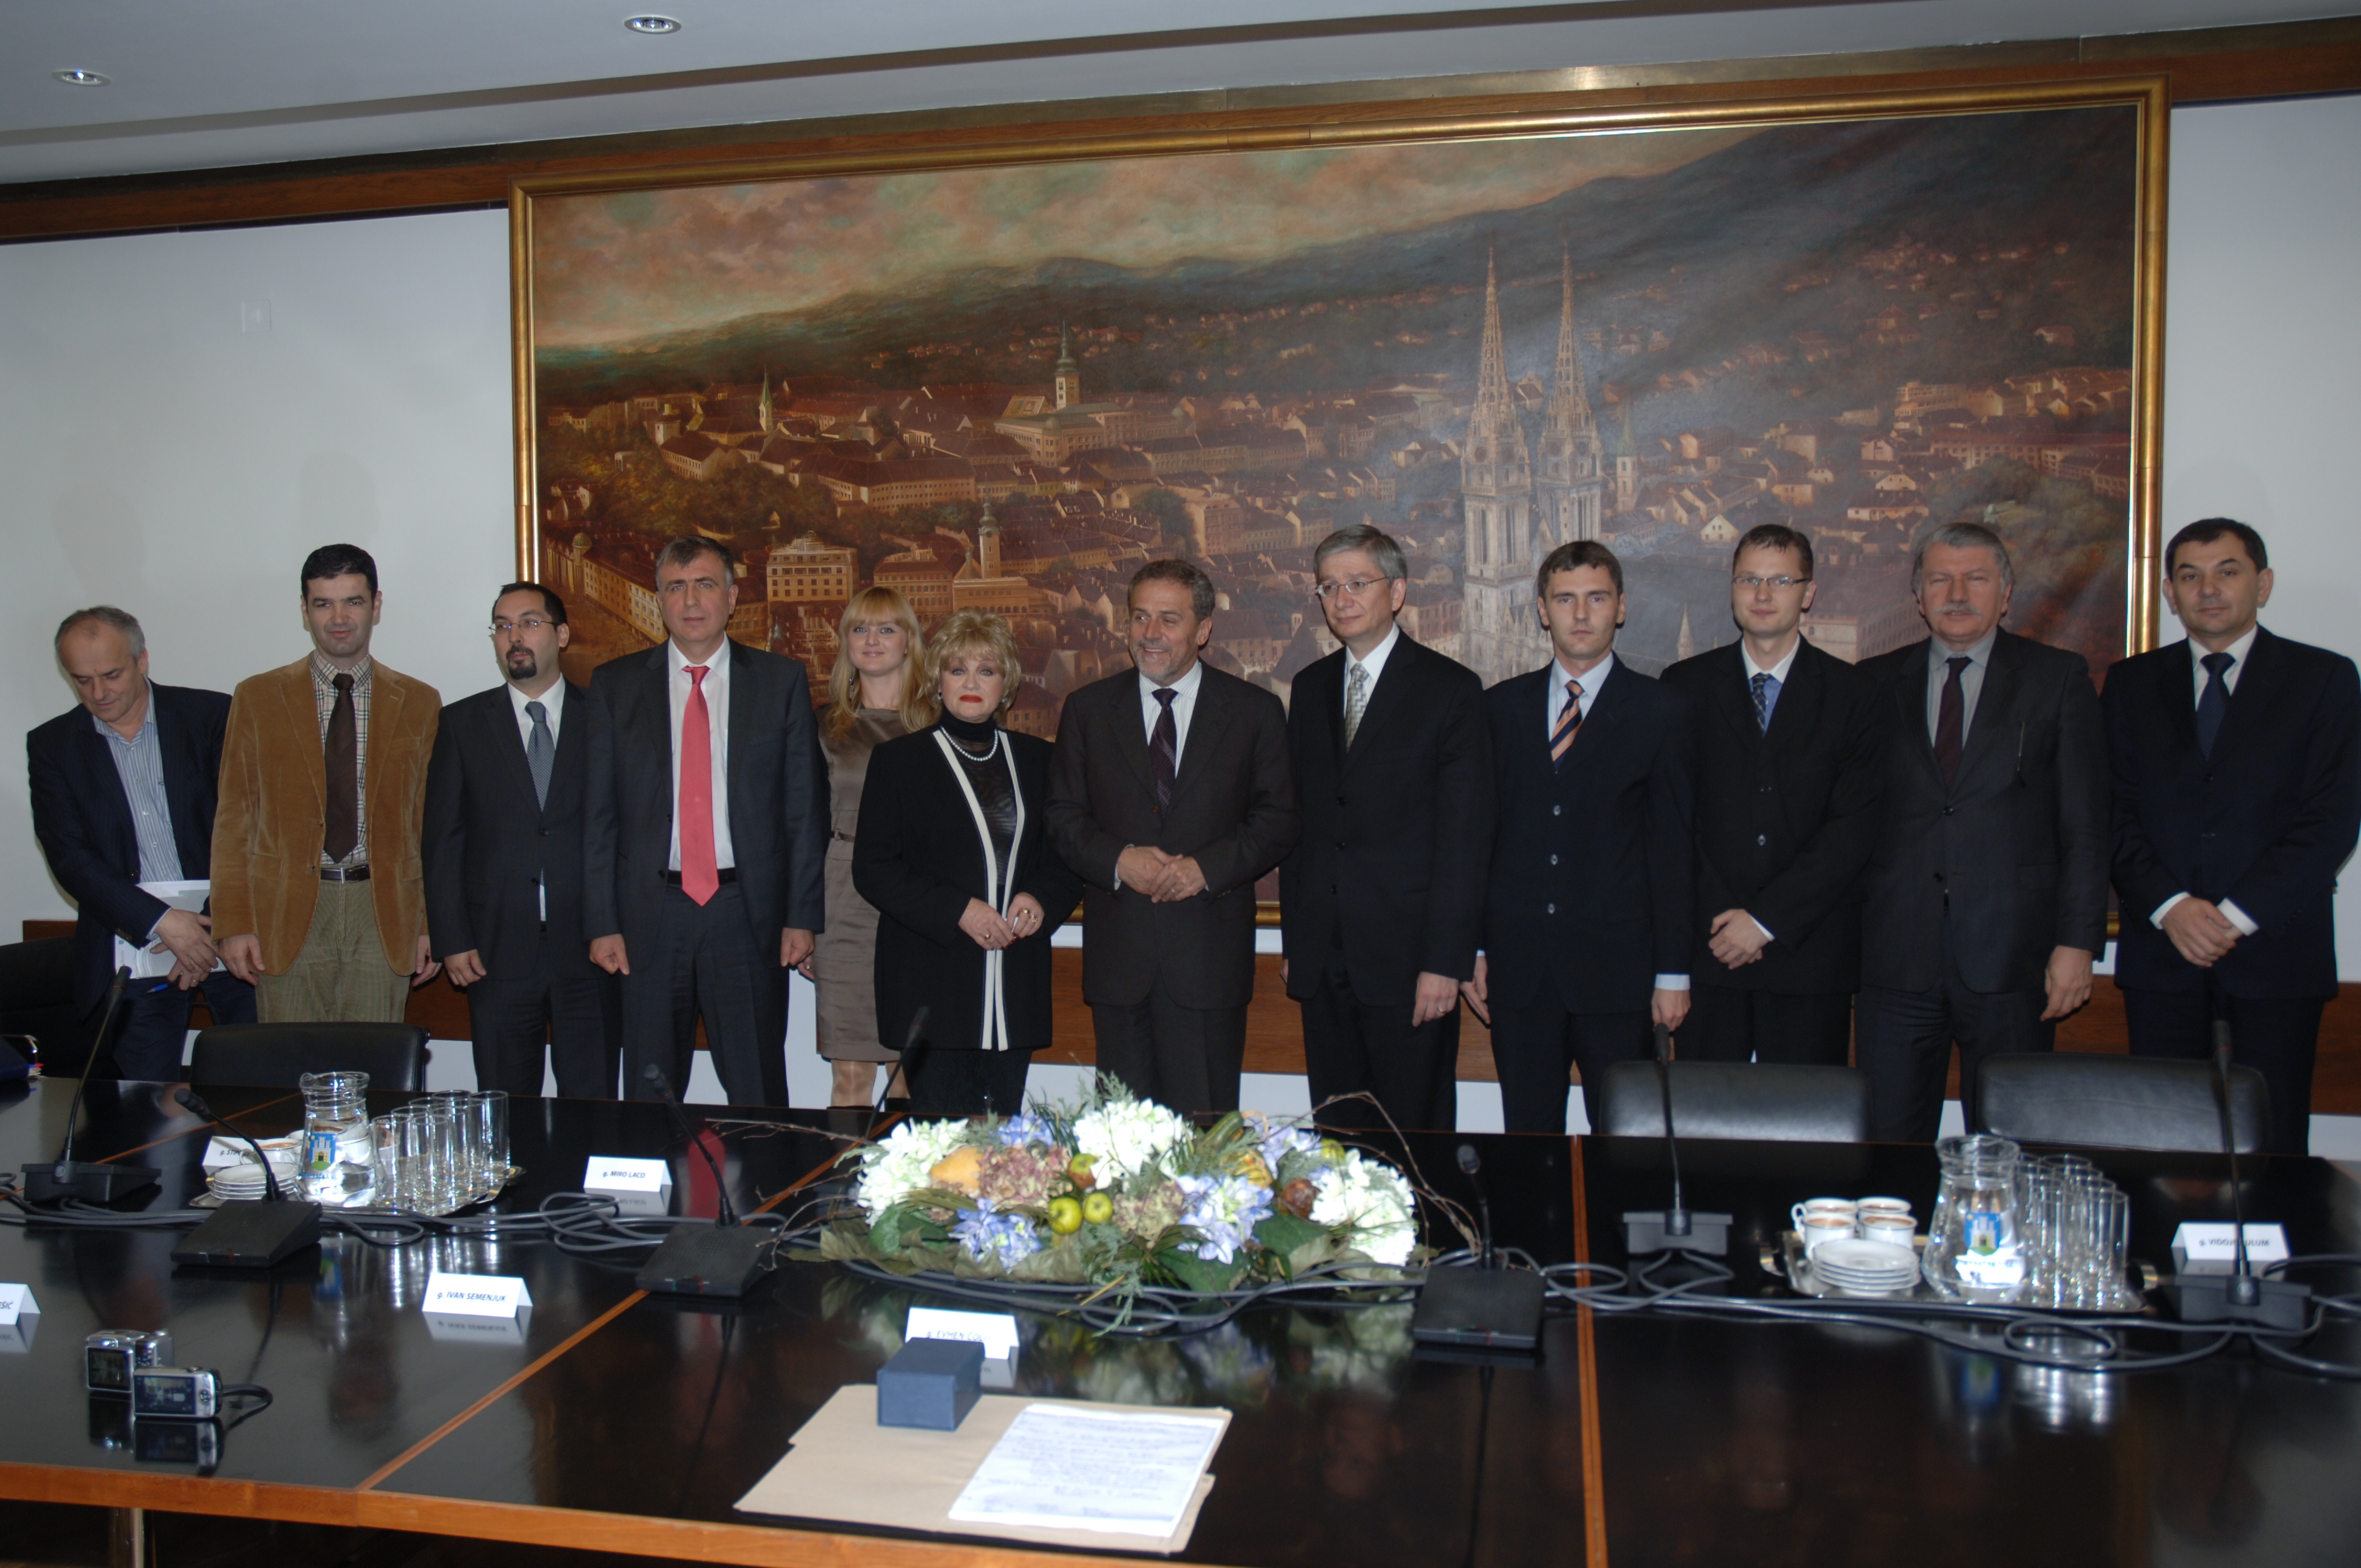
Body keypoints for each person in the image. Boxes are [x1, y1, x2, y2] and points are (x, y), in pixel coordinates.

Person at [2104, 519, 2361, 1155]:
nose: (2208, 589)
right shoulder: (2131, 683)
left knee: (2270, 1150)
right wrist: (2171, 906)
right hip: (2162, 958)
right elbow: (2110, 810)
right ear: (2169, 593)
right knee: (2161, 1152)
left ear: (2262, 583)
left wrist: (2235, 916)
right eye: (2189, 576)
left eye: (2227, 571)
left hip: (2276, 957)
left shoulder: (2324, 678)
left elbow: (2332, 818)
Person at [1853, 522, 2108, 1141]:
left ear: (2006, 591)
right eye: (1940, 579)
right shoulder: (1871, 682)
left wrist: (2078, 944)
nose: (1957, 594)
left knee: (2010, 1146)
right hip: (1894, 960)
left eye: (1975, 579)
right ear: (1919, 595)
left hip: (2014, 960)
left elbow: (2086, 824)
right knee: (1889, 1146)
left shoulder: (2057, 678)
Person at [1046, 559, 1298, 1113]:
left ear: (1203, 629)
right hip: (1120, 965)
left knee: (1204, 1137)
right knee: (1122, 1141)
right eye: (1140, 617)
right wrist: (1119, 860)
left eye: (1168, 619)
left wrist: (1205, 868)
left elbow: (1278, 819)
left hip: (1208, 962)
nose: (1150, 633)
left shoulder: (1254, 712)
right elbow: (1062, 818)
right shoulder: (1088, 710)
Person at [582, 536, 827, 1107]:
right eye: (676, 587)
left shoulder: (779, 682)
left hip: (747, 914)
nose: (691, 600)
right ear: (660, 600)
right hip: (649, 918)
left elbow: (803, 811)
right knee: (649, 1093)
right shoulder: (616, 686)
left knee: (757, 1088)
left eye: (705, 584)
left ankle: (765, 1171)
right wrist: (601, 922)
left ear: (732, 597)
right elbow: (598, 817)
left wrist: (802, 916)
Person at [1462, 541, 1694, 1134]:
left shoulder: (1662, 712)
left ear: (1621, 607)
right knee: (1527, 1141)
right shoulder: (1498, 709)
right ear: (1543, 610)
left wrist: (1673, 974)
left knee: (1623, 1146)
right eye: (1565, 600)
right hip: (1519, 974)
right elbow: (1478, 840)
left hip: (1620, 976)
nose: (1582, 614)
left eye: (1597, 598)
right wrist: (1476, 948)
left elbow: (1673, 852)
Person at [1281, 525, 1491, 1133]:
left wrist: (1445, 961)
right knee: (1337, 1138)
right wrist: (1298, 943)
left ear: (1397, 592)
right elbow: (1301, 827)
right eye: (1328, 586)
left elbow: (1464, 840)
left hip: (1411, 964)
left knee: (1414, 1138)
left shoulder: (1450, 689)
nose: (1341, 598)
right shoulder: (1310, 687)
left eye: (1357, 583)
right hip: (1323, 961)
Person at [1660, 525, 1882, 1068]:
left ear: (1808, 593)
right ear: (1732, 589)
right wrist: (1724, 916)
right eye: (1749, 580)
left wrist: (1763, 921)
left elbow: (1853, 828)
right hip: (1710, 953)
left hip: (1809, 958)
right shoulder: (1683, 686)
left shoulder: (1854, 694)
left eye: (1781, 581)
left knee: (1804, 1121)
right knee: (1705, 1116)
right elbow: (1673, 819)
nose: (1762, 594)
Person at [854, 611, 1084, 1117]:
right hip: (932, 981)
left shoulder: (1040, 761)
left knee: (1004, 1140)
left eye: (987, 671)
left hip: (1014, 983)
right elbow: (874, 868)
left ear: (1007, 685)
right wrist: (960, 909)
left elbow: (1067, 857)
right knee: (943, 1143)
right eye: (957, 670)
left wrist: (1040, 899)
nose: (972, 683)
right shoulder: (900, 761)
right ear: (937, 682)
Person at [213, 545, 442, 1021]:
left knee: (374, 1061)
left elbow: (430, 826)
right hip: (286, 912)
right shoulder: (257, 697)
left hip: (383, 912)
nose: (339, 618)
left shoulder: (420, 702)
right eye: (323, 604)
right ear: (305, 610)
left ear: (376, 605)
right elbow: (235, 819)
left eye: (353, 602)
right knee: (292, 1061)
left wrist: (431, 923)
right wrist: (233, 923)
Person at [28, 608, 255, 1079]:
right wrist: (163, 923)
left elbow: (250, 829)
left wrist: (205, 931)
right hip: (132, 947)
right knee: (143, 1104)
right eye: (82, 680)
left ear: (142, 660)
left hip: (232, 935)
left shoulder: (212, 716)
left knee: (260, 1089)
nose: (99, 693)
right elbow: (71, 859)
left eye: (111, 675)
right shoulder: (53, 745)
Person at [422, 583, 619, 1098]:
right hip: (495, 953)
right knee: (507, 1108)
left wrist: (617, 925)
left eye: (530, 623)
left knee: (593, 1106)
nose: (515, 637)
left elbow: (626, 830)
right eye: (503, 626)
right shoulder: (462, 724)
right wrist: (451, 938)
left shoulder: (604, 717)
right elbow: (443, 841)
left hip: (590, 950)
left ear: (562, 635)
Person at [806, 587, 929, 1110]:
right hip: (843, 903)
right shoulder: (822, 726)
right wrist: (803, 922)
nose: (872, 639)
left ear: (909, 641)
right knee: (850, 1079)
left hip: (919, 905)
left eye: (886, 628)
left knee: (911, 1081)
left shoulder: (941, 725)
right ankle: (843, 1169)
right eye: (860, 629)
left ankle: (908, 1169)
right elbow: (803, 828)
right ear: (846, 643)